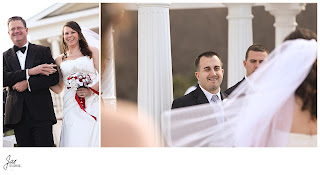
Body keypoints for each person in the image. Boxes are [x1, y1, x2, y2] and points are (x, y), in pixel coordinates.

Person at [163, 28, 317, 147]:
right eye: (207, 69)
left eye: (216, 68)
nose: (213, 73)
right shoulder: (236, 96)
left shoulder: (273, 106)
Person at [3, 16, 59, 147]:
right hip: (17, 116)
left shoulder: (42, 51)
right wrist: (30, 71)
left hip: (42, 114)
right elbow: (4, 78)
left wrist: (28, 83)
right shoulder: (4, 56)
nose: (16, 31)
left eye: (19, 28)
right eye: (13, 29)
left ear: (26, 30)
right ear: (8, 33)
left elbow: (53, 78)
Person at [49, 21, 100, 147]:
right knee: (74, 139)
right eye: (66, 33)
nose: (69, 35)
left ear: (79, 34)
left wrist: (90, 90)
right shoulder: (59, 59)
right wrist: (44, 81)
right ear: (63, 37)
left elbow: (103, 77)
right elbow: (59, 88)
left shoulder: (92, 52)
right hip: (71, 105)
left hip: (92, 103)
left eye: (73, 32)